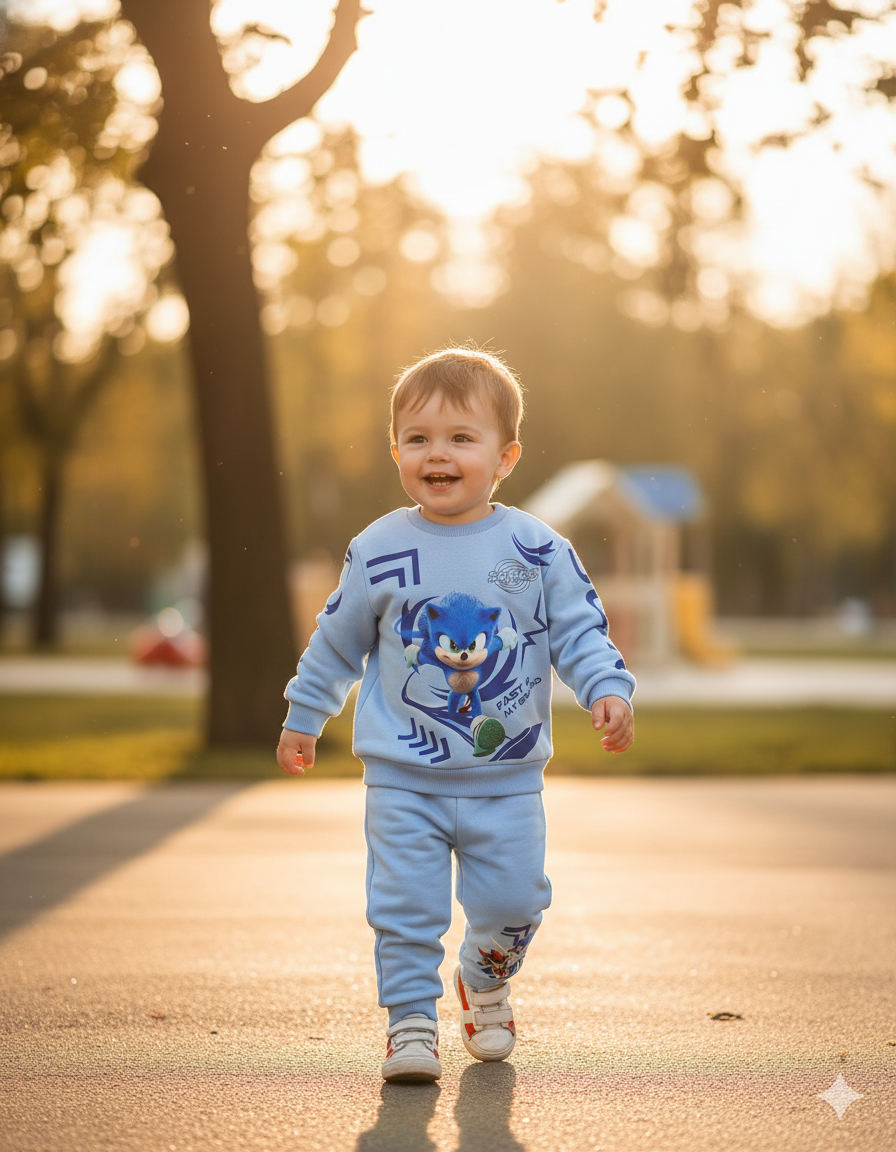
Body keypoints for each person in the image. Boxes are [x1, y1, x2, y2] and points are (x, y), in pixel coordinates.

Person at [276, 347, 635, 1083]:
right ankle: (410, 1022)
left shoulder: (536, 549)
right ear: (396, 450)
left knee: (516, 899)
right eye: (418, 439)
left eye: (460, 438)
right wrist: (305, 714)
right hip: (403, 777)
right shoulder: (378, 550)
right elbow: (336, 641)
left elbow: (578, 629)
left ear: (504, 457)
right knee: (404, 906)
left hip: (507, 778)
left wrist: (607, 686)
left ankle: (485, 977)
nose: (437, 454)